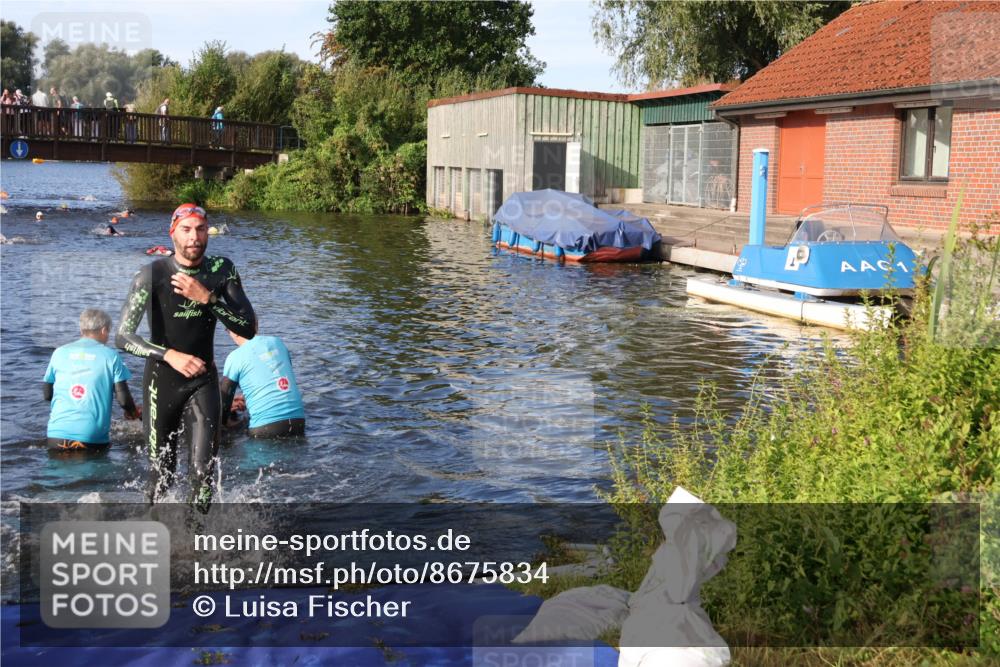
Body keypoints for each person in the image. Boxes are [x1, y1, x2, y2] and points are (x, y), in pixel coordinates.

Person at [116, 203, 255, 509]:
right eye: (187, 229)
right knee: (162, 474)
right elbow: (123, 337)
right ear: (173, 233)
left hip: (203, 381)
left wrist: (208, 299)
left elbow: (248, 327)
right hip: (161, 381)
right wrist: (170, 355)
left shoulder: (222, 270)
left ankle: (196, 543)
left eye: (201, 229)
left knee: (203, 474)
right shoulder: (152, 275)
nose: (195, 237)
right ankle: (153, 535)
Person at [43, 309, 140, 452]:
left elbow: (47, 395)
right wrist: (133, 414)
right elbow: (124, 400)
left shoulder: (59, 352)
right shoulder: (111, 356)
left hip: (55, 436)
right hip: (91, 439)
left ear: (82, 329)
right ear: (104, 330)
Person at [220, 326, 305, 438]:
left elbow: (224, 403)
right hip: (298, 422)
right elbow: (278, 379)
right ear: (256, 325)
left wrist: (227, 413)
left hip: (264, 428)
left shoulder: (235, 357)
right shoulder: (278, 343)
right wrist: (248, 398)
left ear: (233, 331)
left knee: (224, 430)